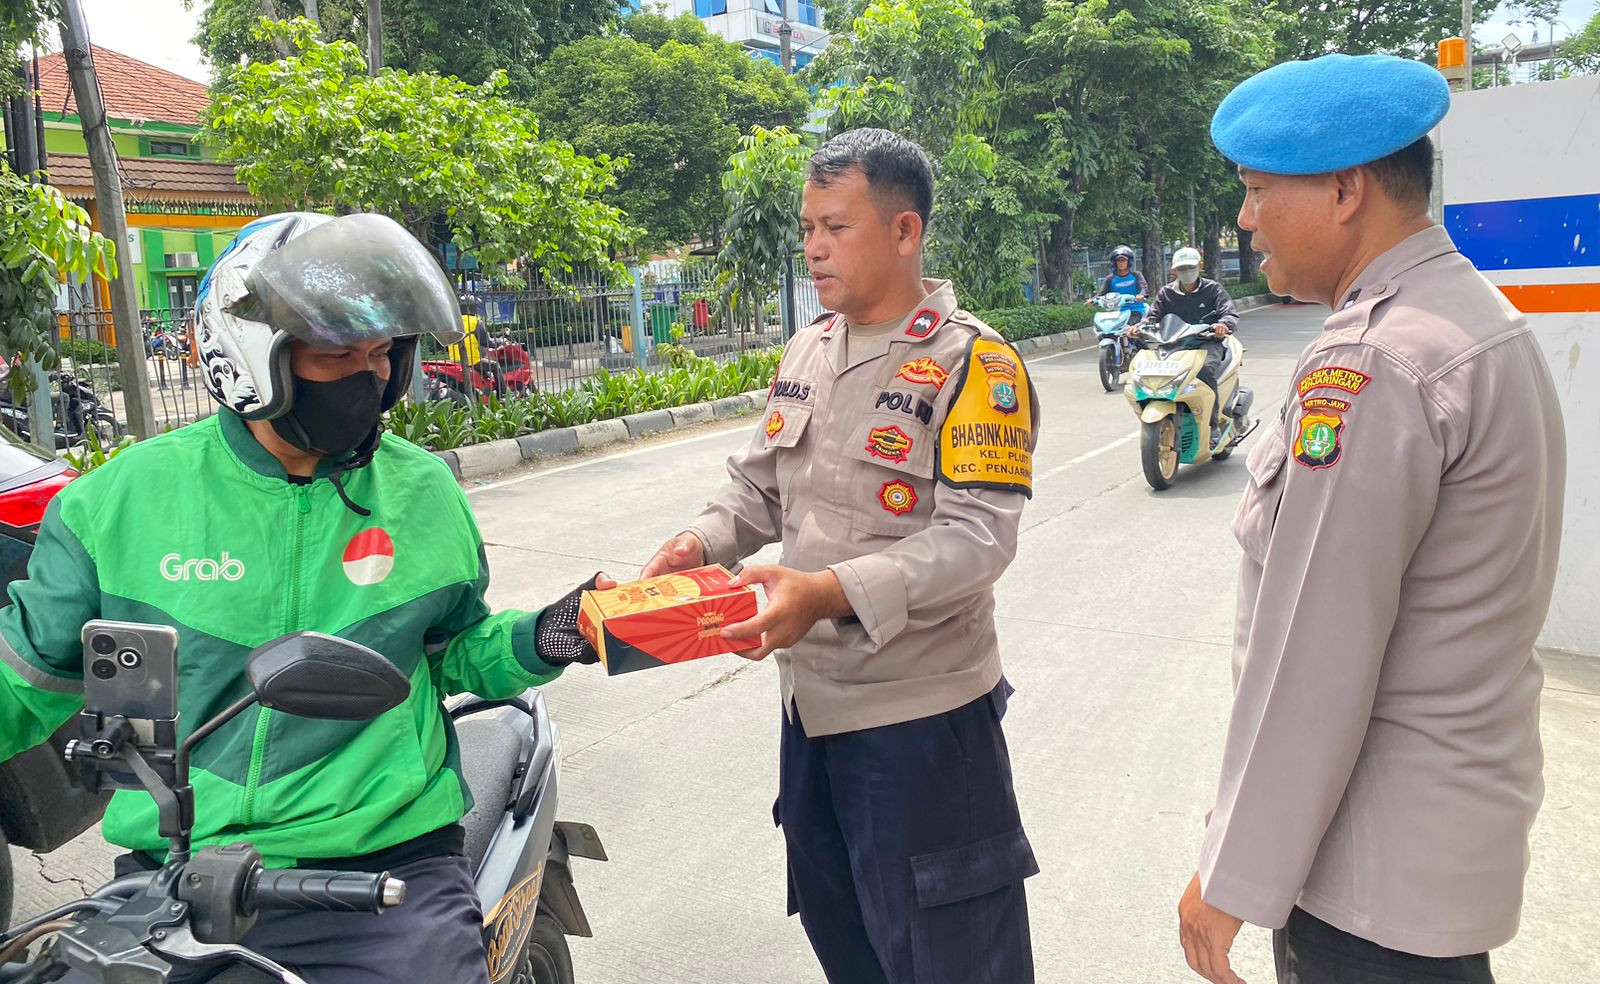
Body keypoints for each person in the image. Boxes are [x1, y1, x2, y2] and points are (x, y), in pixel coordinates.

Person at [0, 212, 610, 983]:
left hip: (386, 878)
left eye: (384, 353)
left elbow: (450, 654)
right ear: (251, 356)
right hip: (176, 875)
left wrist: (552, 634)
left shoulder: (421, 491)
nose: (372, 378)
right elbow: (20, 683)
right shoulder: (114, 506)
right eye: (335, 354)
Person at [1177, 53, 1566, 984]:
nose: (1245, 220)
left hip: (1368, 888)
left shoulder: (1379, 364)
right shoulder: (1471, 318)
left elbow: (1314, 655)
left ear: (1346, 191)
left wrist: (1234, 876)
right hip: (1429, 863)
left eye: (1260, 189)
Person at [642, 127, 1041, 984]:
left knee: (951, 961)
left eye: (837, 227)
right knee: (850, 945)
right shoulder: (809, 350)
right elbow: (758, 489)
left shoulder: (973, 362)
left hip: (923, 729)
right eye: (807, 228)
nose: (814, 249)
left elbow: (979, 539)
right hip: (812, 720)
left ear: (906, 232)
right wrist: (697, 543)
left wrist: (826, 592)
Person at [1136, 247, 1239, 446]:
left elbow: (1229, 313)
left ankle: (1213, 425)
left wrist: (1222, 325)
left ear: (1199, 266)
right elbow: (1152, 317)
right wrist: (1138, 327)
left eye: (1190, 267)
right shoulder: (1166, 293)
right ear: (1174, 270)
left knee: (1205, 371)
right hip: (1175, 344)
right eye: (1181, 268)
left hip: (1207, 343)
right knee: (1155, 373)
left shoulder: (1213, 289)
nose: (1186, 272)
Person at [1098, 244, 1150, 311]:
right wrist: (1092, 300)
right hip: (1116, 311)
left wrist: (1141, 295)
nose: (1121, 263)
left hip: (1135, 309)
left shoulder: (1136, 275)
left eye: (1124, 260)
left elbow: (1143, 288)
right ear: (1114, 262)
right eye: (1119, 261)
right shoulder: (1110, 278)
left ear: (1129, 262)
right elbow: (1101, 293)